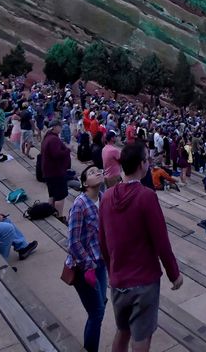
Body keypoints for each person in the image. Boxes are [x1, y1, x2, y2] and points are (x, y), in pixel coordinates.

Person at [98, 141, 183, 352]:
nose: (149, 162)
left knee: (123, 330)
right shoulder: (146, 197)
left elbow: (102, 240)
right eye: (147, 158)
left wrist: (112, 271)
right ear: (141, 165)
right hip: (143, 280)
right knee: (141, 336)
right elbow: (161, 241)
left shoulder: (107, 196)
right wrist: (174, 274)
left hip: (119, 279)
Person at [67, 164, 106, 352]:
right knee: (97, 313)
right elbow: (73, 242)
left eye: (98, 170)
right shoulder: (80, 204)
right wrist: (89, 264)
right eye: (92, 172)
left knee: (100, 306)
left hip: (101, 263)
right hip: (84, 267)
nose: (97, 172)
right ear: (84, 183)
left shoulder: (103, 198)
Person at [40, 118, 72, 219]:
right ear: (54, 127)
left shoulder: (48, 137)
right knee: (60, 195)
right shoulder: (53, 139)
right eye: (59, 126)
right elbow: (57, 154)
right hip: (56, 172)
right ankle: (59, 216)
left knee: (52, 194)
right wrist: (68, 150)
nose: (61, 128)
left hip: (49, 171)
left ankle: (51, 212)